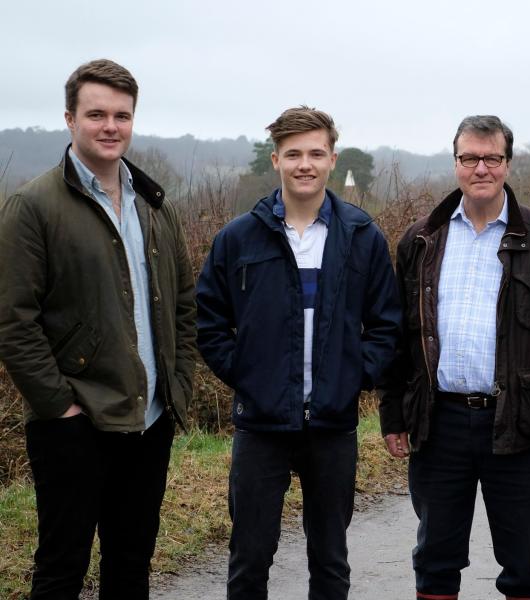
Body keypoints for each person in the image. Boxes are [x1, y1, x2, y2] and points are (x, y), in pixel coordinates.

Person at [0, 59, 196, 599]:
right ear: (70, 119)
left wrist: (176, 384)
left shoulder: (154, 205)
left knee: (131, 567)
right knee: (62, 570)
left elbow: (184, 301)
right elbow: (14, 321)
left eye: (122, 115)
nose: (111, 126)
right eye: (96, 114)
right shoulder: (33, 207)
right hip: (73, 425)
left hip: (149, 421)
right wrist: (59, 409)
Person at [378, 115, 530, 600]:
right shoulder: (420, 240)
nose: (481, 168)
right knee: (435, 558)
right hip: (439, 423)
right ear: (455, 163)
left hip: (519, 423)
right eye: (470, 158)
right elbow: (399, 341)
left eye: (492, 158)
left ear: (507, 163)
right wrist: (393, 413)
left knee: (524, 564)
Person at [196, 106, 402, 600]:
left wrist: (353, 377)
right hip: (261, 423)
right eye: (293, 154)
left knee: (329, 560)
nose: (304, 164)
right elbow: (208, 321)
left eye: (315, 153)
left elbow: (386, 324)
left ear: (332, 159)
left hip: (332, 423)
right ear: (276, 161)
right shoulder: (238, 237)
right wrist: (250, 377)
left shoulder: (361, 235)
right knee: (249, 557)